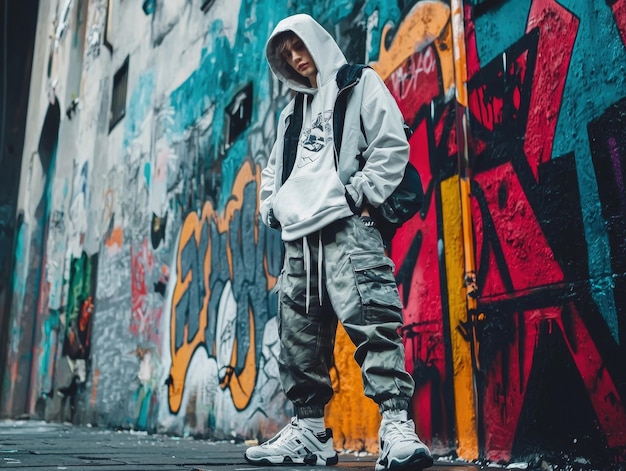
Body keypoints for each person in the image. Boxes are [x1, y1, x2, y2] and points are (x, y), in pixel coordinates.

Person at [245, 13, 433, 471]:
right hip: (299, 239)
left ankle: (395, 427)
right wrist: (270, 207)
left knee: (373, 319)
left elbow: (391, 146)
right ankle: (309, 433)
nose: (294, 56)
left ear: (317, 41)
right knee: (299, 338)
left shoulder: (358, 83)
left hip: (348, 229)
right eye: (286, 53)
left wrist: (359, 193)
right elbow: (272, 172)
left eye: (298, 46)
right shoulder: (291, 114)